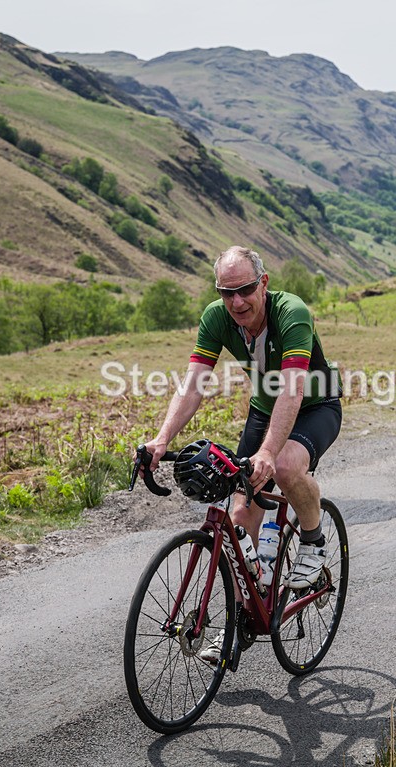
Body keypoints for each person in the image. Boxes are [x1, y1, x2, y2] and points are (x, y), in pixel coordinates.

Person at [142, 245, 342, 584]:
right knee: (239, 522)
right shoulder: (216, 317)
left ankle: (313, 542)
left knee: (284, 467)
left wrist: (268, 452)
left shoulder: (291, 312)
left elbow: (292, 390)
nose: (237, 302)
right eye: (227, 292)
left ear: (263, 283)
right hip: (264, 410)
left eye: (246, 289)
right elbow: (193, 385)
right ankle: (246, 606)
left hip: (315, 406)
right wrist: (161, 440)